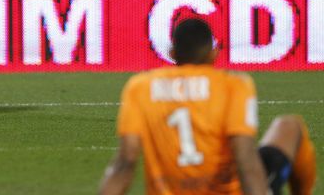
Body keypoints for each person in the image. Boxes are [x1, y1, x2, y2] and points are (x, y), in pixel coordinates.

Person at [99, 18, 317, 195]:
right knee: (290, 125)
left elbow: (124, 164)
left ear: (172, 53)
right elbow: (245, 158)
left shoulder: (140, 87)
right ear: (213, 53)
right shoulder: (234, 85)